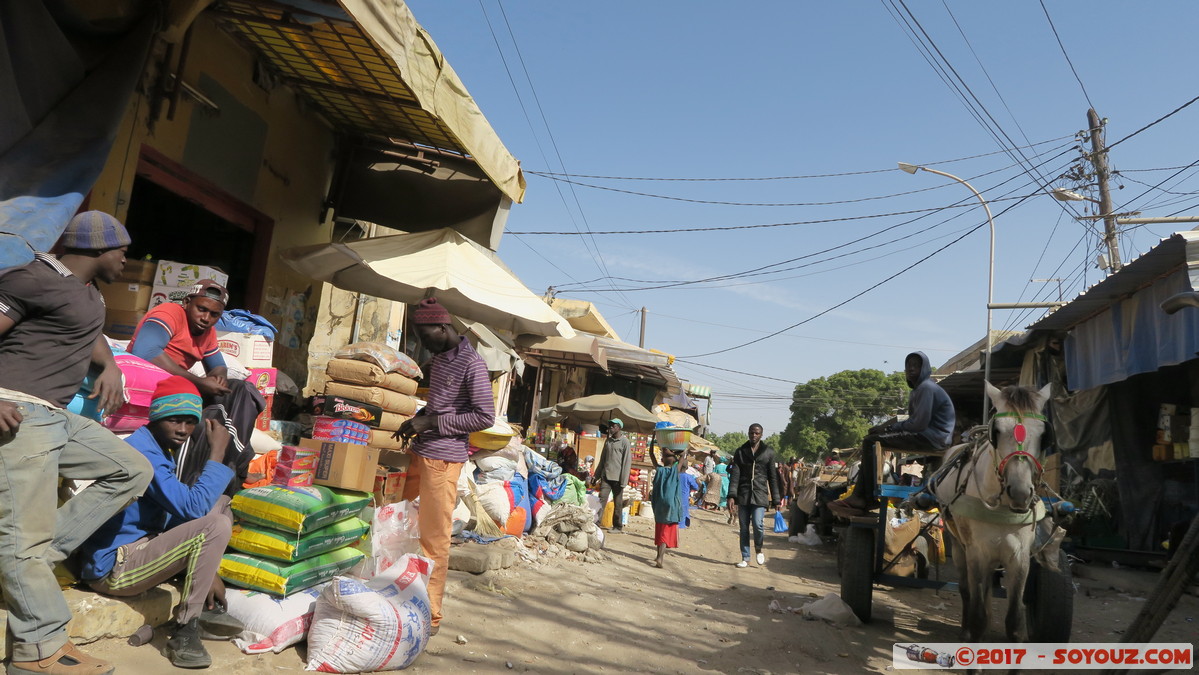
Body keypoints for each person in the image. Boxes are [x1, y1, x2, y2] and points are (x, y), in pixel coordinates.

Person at [0, 211, 153, 675]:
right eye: (122, 252)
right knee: (22, 539)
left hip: (57, 417)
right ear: (97, 248)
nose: (126, 263)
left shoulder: (87, 293)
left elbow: (87, 333)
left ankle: (28, 564)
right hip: (20, 412)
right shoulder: (31, 280)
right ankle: (39, 651)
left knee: (132, 470)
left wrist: (110, 365)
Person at [80, 376, 242, 669]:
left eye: (190, 422)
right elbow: (192, 508)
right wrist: (217, 451)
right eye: (174, 421)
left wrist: (208, 567)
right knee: (214, 524)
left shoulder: (156, 446)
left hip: (143, 544)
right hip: (113, 567)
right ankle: (186, 628)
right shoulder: (143, 453)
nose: (182, 430)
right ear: (156, 418)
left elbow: (182, 509)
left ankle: (197, 590)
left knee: (221, 505)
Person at [393, 298, 494, 636]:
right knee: (404, 530)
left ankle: (431, 614)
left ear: (443, 327)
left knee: (433, 540)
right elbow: (439, 409)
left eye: (425, 335)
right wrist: (417, 420)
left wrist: (433, 422)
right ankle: (400, 596)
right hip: (422, 453)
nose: (422, 343)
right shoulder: (439, 360)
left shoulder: (472, 364)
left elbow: (483, 417)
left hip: (445, 459)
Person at [129, 279, 263, 494]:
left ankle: (239, 464)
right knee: (207, 423)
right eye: (201, 309)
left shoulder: (205, 331)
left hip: (182, 386)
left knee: (243, 391)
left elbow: (218, 365)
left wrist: (218, 379)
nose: (206, 318)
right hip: (156, 388)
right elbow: (146, 351)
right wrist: (201, 383)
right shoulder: (169, 313)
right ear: (187, 302)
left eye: (214, 314)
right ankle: (228, 471)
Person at [829, 351, 956, 516]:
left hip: (933, 437)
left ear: (924, 369)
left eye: (916, 366)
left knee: (871, 441)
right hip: (929, 436)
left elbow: (918, 424)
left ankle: (863, 497)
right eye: (908, 366)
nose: (910, 369)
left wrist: (887, 429)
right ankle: (861, 496)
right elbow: (913, 422)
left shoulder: (926, 388)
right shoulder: (918, 391)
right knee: (871, 439)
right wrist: (886, 428)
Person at [727, 423, 781, 568]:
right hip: (743, 494)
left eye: (756, 433)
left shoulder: (768, 452)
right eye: (751, 433)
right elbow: (735, 475)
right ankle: (745, 557)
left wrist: (776, 499)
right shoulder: (740, 452)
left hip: (760, 494)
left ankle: (758, 548)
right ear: (748, 433)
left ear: (761, 435)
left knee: (758, 524)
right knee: (744, 527)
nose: (753, 436)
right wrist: (731, 495)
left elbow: (773, 477)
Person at [648, 444, 689, 568]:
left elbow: (651, 454)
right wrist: (683, 448)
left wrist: (654, 440)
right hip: (671, 504)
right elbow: (683, 455)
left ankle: (658, 555)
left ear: (663, 459)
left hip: (659, 503)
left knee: (660, 529)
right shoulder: (676, 469)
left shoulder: (659, 469)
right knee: (665, 531)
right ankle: (660, 557)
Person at [593, 418, 632, 533]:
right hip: (606, 476)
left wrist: (624, 480)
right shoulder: (608, 441)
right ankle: (596, 523)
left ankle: (617, 526)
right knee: (601, 500)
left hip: (618, 478)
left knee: (618, 502)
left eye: (613, 426)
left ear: (619, 428)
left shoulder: (625, 442)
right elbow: (602, 460)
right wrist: (597, 475)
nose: (610, 428)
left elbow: (626, 462)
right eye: (610, 426)